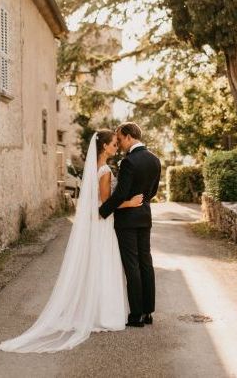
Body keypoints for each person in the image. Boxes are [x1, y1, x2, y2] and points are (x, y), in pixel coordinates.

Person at [0, 129, 143, 353]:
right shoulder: (104, 171)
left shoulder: (93, 169)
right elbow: (104, 204)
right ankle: (103, 314)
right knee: (103, 265)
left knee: (95, 265)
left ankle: (91, 310)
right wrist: (129, 204)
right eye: (113, 143)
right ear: (104, 147)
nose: (116, 146)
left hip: (96, 224)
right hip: (102, 225)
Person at [99, 122, 162, 327]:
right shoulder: (154, 159)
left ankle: (136, 315)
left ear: (128, 136)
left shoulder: (129, 162)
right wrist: (141, 202)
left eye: (119, 138)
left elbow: (120, 194)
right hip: (144, 216)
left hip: (127, 220)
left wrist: (103, 210)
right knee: (146, 262)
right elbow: (152, 192)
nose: (118, 143)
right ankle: (148, 312)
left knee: (132, 266)